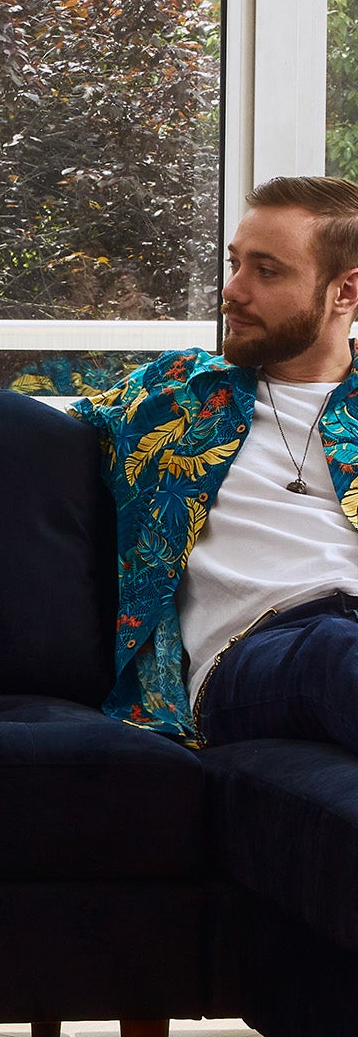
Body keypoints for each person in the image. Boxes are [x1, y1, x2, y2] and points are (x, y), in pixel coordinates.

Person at [69, 175, 358, 753]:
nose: (233, 290)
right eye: (236, 264)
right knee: (332, 651)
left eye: (267, 271)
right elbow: (18, 439)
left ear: (345, 293)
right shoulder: (178, 394)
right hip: (255, 651)